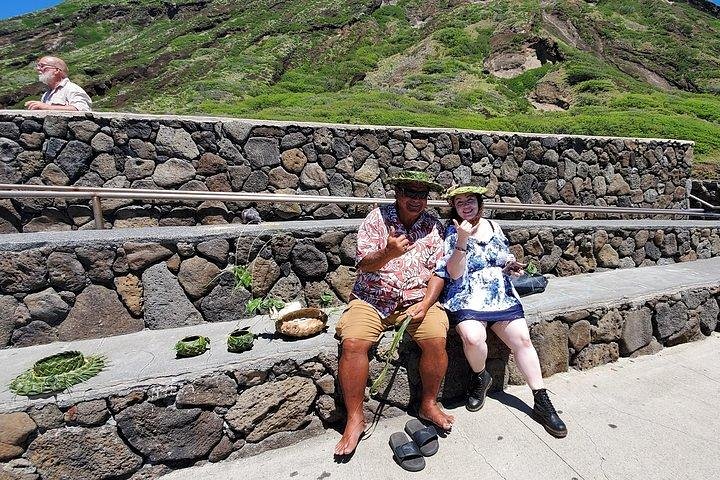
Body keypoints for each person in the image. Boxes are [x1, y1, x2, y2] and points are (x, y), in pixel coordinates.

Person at [334, 170, 454, 456]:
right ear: (398, 194)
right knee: (353, 343)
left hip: (416, 299)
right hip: (372, 299)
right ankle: (355, 419)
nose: (416, 199)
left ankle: (428, 405)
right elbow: (363, 264)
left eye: (421, 194)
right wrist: (388, 253)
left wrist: (427, 304)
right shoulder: (376, 219)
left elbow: (439, 272)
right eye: (410, 192)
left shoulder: (434, 227)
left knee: (436, 338)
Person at [435, 184, 567, 438]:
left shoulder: (494, 227)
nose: (465, 206)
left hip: (499, 293)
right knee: (473, 338)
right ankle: (480, 377)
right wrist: (462, 239)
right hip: (467, 294)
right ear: (454, 207)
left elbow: (503, 255)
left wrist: (510, 265)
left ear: (479, 203)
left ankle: (541, 399)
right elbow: (454, 273)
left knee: (522, 339)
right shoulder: (452, 231)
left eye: (470, 200)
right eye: (459, 202)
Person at [24, 56, 92, 112]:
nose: (38, 69)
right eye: (38, 66)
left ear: (57, 70)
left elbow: (83, 109)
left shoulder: (72, 89)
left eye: (42, 66)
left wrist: (47, 107)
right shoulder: (46, 94)